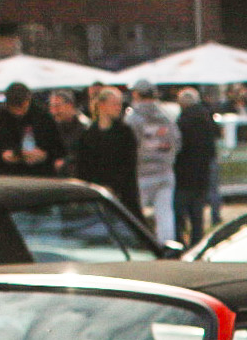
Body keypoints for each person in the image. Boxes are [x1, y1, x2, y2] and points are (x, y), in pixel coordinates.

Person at [126, 79, 179, 243]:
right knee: (165, 214)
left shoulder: (132, 118)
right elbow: (177, 141)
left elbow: (128, 145)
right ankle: (168, 245)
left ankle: (138, 244)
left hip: (141, 173)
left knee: (134, 214)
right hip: (165, 171)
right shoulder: (167, 116)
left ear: (136, 94)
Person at [76, 85, 140, 216]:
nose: (118, 108)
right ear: (102, 105)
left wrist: (114, 186)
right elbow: (83, 166)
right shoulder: (89, 135)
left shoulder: (125, 133)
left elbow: (128, 164)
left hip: (123, 195)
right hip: (95, 196)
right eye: (114, 104)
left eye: (119, 104)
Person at [0, 81, 63, 177]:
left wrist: (44, 155)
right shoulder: (0, 119)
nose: (18, 112)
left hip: (40, 174)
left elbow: (59, 149)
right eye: (14, 108)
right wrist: (2, 156)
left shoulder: (43, 117)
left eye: (22, 107)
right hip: (10, 175)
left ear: (28, 100)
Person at [173, 87, 217, 248]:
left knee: (180, 210)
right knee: (197, 213)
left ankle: (179, 240)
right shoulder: (207, 118)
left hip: (184, 173)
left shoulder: (182, 121)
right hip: (202, 172)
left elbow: (178, 147)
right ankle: (197, 241)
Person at [48, 90, 87, 177]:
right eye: (51, 107)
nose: (54, 112)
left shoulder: (84, 128)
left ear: (70, 105)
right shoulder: (51, 127)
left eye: (57, 106)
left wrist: (66, 161)